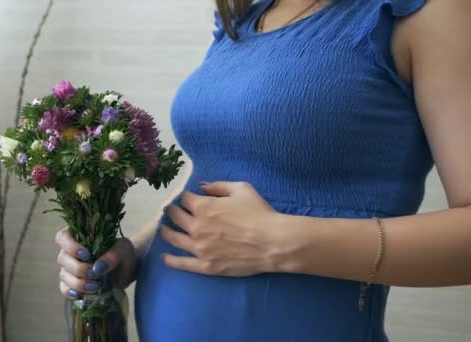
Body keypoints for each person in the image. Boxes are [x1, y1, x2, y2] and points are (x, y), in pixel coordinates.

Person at [55, 0, 471, 340]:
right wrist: (132, 255)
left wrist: (281, 241)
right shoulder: (243, 19)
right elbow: (212, 178)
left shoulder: (427, 12)